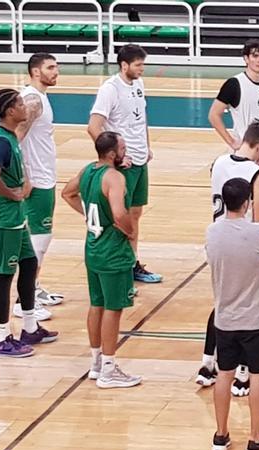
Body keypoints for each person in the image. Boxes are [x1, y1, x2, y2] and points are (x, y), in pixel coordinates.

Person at [195, 121, 259, 397]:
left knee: (223, 303)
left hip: (217, 239)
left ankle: (207, 365)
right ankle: (243, 375)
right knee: (250, 307)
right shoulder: (257, 172)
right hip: (246, 242)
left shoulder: (217, 163)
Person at [207, 178, 259, 450]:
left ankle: (220, 433)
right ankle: (256, 438)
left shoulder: (212, 232)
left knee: (224, 375)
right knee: (257, 377)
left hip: (225, 318)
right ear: (247, 202)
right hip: (256, 319)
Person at [61, 131, 143, 389]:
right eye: (122, 148)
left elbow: (67, 193)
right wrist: (129, 231)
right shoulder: (115, 178)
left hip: (92, 247)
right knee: (113, 308)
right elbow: (119, 214)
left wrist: (89, 215)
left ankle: (96, 363)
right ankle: (109, 368)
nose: (125, 152)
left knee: (96, 304)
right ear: (112, 153)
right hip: (112, 251)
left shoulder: (88, 171)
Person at [0, 88, 57, 358]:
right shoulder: (0, 141)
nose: (25, 107)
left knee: (28, 264)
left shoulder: (10, 135)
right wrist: (13, 193)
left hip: (14, 215)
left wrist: (24, 182)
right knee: (4, 274)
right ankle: (1, 337)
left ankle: (29, 327)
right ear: (10, 111)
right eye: (20, 104)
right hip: (2, 216)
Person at [88, 44, 161, 285]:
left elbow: (142, 118)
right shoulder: (110, 89)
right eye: (138, 65)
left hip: (140, 160)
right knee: (122, 216)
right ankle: (121, 264)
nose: (142, 69)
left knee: (136, 213)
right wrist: (115, 158)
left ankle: (131, 263)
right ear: (124, 65)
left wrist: (146, 145)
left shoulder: (138, 84)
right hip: (124, 165)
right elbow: (94, 127)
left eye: (143, 64)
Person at [14, 52, 63, 318]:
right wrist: (24, 176)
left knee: (41, 236)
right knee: (38, 239)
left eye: (56, 67)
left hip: (45, 175)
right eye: (50, 67)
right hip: (37, 179)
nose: (56, 72)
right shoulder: (32, 100)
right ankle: (24, 301)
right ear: (35, 71)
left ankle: (33, 287)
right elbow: (15, 137)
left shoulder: (39, 97)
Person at [208, 39, 259, 177]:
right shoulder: (234, 84)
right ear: (246, 59)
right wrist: (231, 141)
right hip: (244, 154)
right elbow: (214, 115)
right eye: (255, 56)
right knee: (243, 197)